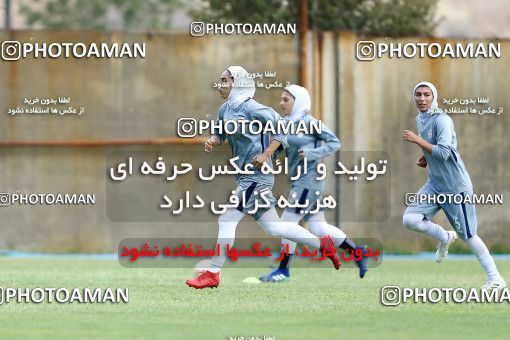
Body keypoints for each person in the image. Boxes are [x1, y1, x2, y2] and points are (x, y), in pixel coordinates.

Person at [185, 66, 340, 289]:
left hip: (257, 176)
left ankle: (213, 272)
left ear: (237, 82)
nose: (220, 84)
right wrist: (213, 140)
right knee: (274, 227)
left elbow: (281, 129)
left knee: (227, 219)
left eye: (224, 80)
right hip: (245, 175)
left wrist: (266, 154)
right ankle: (322, 245)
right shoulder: (225, 109)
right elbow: (220, 133)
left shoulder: (252, 107)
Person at [402, 81, 506, 290]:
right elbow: (441, 149)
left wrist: (417, 141)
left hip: (455, 187)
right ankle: (445, 236)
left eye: (427, 95)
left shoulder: (442, 120)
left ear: (434, 97)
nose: (422, 99)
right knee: (410, 219)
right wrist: (425, 158)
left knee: (469, 236)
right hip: (435, 184)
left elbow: (444, 152)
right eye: (419, 95)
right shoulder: (420, 118)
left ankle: (496, 278)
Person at [259, 85, 368, 283]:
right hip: (300, 182)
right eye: (281, 99)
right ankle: (358, 251)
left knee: (286, 225)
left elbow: (335, 143)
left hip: (308, 182)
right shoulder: (284, 124)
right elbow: (278, 150)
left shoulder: (310, 123)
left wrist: (312, 154)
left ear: (298, 101)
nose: (281, 103)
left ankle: (283, 271)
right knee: (319, 228)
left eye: (286, 99)